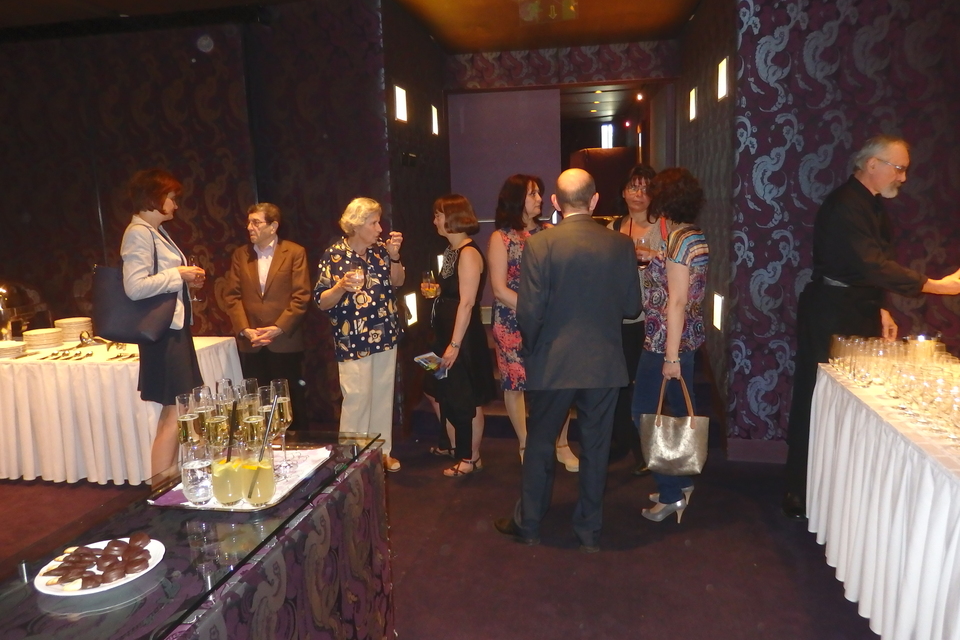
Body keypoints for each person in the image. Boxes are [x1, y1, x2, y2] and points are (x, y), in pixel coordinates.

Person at [782, 135, 960, 518]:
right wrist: (936, 286)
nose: (904, 177)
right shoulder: (846, 205)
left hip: (855, 307)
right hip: (830, 312)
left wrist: (880, 308)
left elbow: (868, 267)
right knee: (818, 397)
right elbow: (870, 266)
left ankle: (832, 488)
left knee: (851, 402)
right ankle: (799, 489)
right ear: (872, 164)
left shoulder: (871, 204)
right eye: (899, 168)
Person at [494, 168, 640, 552]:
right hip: (603, 362)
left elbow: (529, 311)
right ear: (595, 200)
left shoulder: (541, 244)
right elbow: (632, 307)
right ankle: (589, 531)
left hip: (551, 360)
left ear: (556, 202)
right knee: (596, 448)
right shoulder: (620, 245)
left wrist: (534, 349)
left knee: (540, 445)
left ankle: (529, 524)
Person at [631, 167, 709, 524]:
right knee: (676, 413)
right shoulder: (694, 236)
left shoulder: (678, 240)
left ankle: (671, 493)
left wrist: (671, 356)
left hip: (666, 341)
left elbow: (676, 301)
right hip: (687, 336)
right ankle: (681, 481)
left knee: (644, 414)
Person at [488, 174, 579, 472]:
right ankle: (526, 444)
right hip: (512, 319)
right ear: (517, 199)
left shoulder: (549, 232)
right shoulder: (501, 237)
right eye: (532, 194)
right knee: (515, 384)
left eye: (539, 193)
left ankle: (561, 444)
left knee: (556, 383)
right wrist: (535, 308)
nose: (539, 199)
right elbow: (499, 289)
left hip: (549, 319)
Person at [120, 168, 206, 478]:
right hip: (163, 334)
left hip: (173, 329)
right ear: (155, 197)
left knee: (178, 410)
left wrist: (186, 281)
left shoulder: (154, 231)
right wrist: (178, 274)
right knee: (176, 410)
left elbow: (160, 281)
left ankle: (168, 480)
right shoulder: (139, 232)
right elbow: (134, 286)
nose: (175, 204)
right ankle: (160, 487)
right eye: (171, 197)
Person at [314, 197, 405, 472]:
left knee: (382, 396)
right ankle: (351, 459)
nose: (380, 228)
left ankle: (382, 453)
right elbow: (321, 301)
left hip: (385, 334)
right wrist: (341, 286)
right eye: (374, 223)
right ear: (356, 225)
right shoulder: (334, 255)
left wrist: (394, 256)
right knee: (357, 399)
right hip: (352, 339)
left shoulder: (380, 251)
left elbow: (398, 281)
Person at [425, 194, 497, 477]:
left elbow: (466, 303)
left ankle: (470, 457)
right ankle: (454, 445)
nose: (435, 220)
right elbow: (453, 292)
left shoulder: (467, 253)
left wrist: (454, 345)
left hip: (461, 338)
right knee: (434, 387)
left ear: (452, 217)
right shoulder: (451, 250)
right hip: (444, 334)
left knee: (465, 398)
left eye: (438, 215)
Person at [223, 203, 311, 430]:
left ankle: (296, 445)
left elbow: (301, 296)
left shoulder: (294, 252)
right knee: (256, 407)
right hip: (252, 342)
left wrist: (277, 328)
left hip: (284, 341)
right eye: (248, 222)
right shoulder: (241, 255)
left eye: (256, 222)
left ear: (273, 226)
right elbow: (232, 296)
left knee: (290, 404)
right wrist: (245, 330)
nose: (249, 227)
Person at [607, 164, 658, 475]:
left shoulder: (664, 228)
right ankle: (622, 441)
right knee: (619, 381)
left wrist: (655, 257)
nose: (638, 194)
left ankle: (646, 449)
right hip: (620, 317)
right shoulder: (613, 228)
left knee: (647, 384)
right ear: (623, 192)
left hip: (653, 318)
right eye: (633, 187)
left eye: (645, 187)